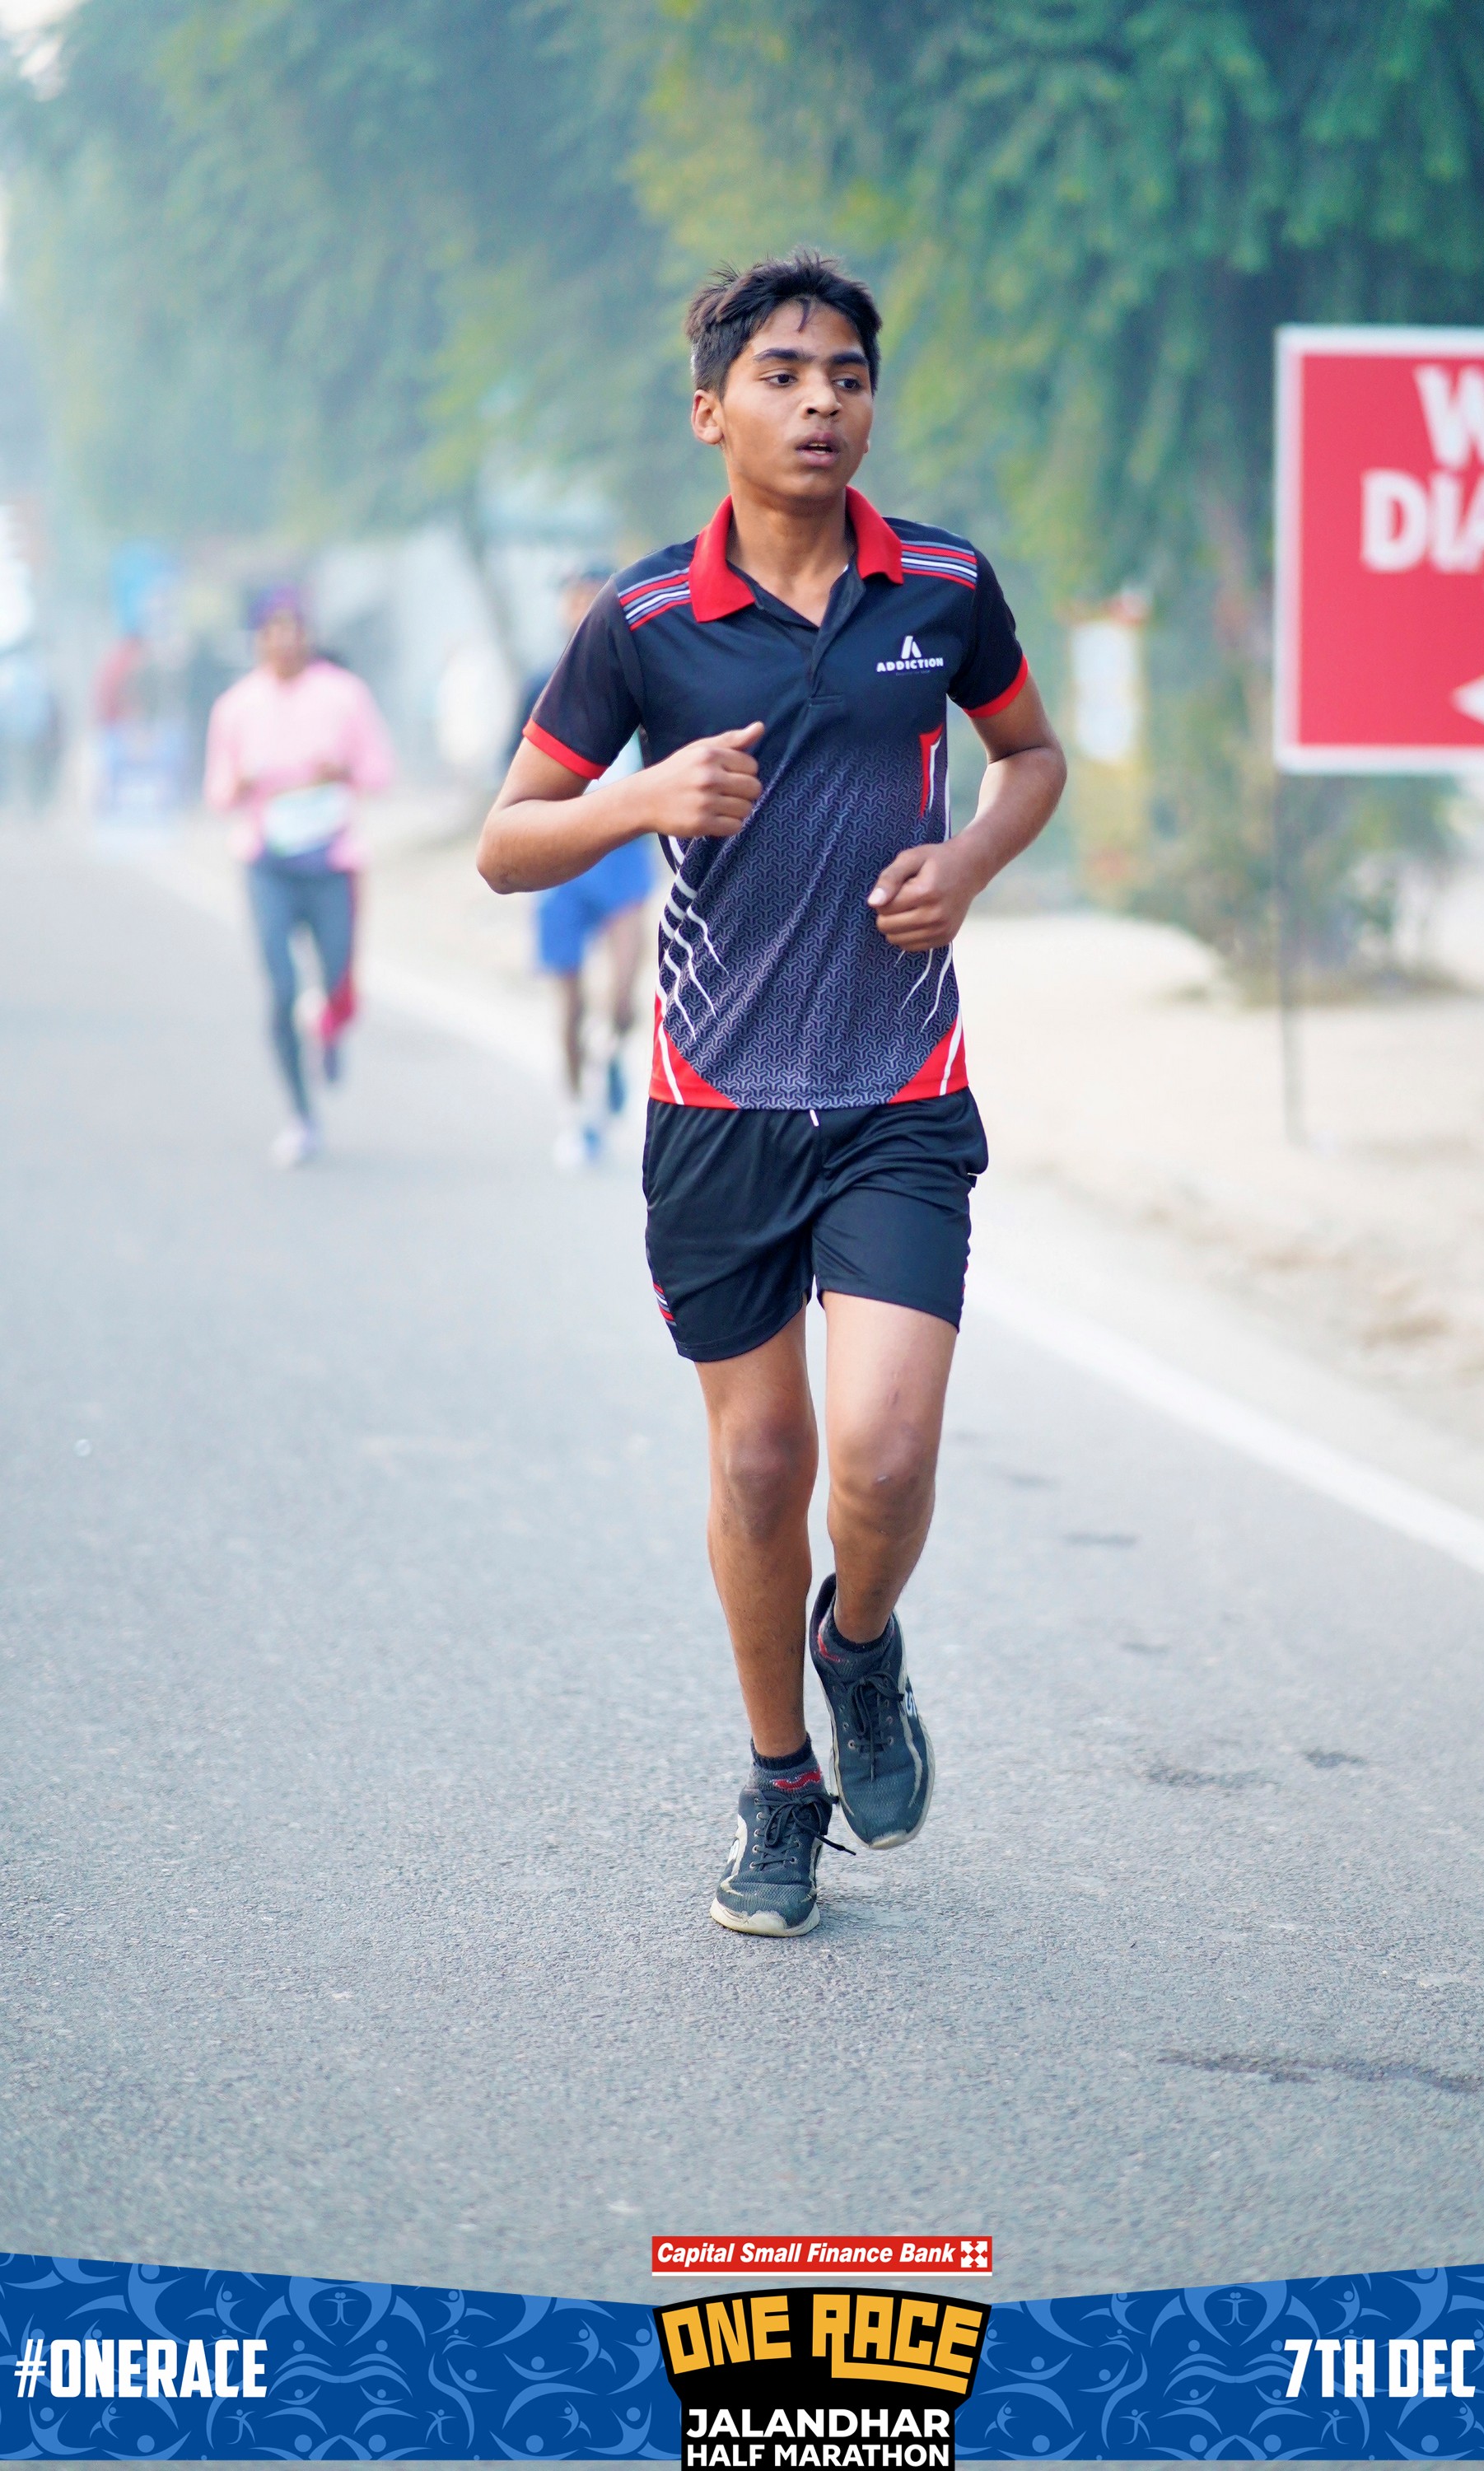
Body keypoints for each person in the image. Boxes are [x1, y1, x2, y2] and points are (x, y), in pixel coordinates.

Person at [478, 252, 1066, 1936]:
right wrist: (641, 796)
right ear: (710, 411)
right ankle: (778, 1784)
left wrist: (969, 863)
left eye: (848, 378)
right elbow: (509, 843)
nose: (822, 403)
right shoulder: (645, 622)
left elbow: (1031, 758)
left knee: (881, 1453)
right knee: (758, 1472)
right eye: (785, 375)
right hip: (718, 1101)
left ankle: (857, 1650)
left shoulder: (940, 587)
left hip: (897, 1089)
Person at [204, 587, 394, 1167]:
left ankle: (330, 1027)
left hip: (332, 860)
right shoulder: (236, 707)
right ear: (258, 640)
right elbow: (217, 794)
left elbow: (380, 771)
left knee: (336, 978)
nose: (286, 641)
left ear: (309, 636)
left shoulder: (344, 695)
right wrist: (242, 783)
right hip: (268, 863)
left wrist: (344, 771)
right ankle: (300, 1114)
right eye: (274, 631)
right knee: (282, 989)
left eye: (296, 630)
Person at [520, 570, 654, 1168]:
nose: (584, 610)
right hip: (560, 856)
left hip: (622, 854)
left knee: (623, 996)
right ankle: (577, 1113)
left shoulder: (646, 675)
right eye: (574, 601)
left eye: (594, 598)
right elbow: (512, 775)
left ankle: (610, 1055)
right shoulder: (540, 683)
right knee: (569, 1002)